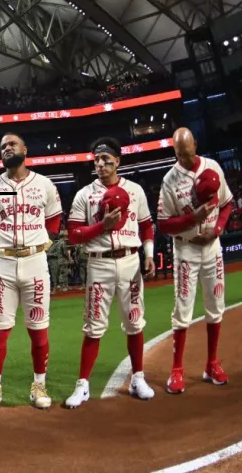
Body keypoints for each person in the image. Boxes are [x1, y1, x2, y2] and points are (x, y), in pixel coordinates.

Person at [63, 136, 156, 409]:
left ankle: (138, 378)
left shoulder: (136, 191)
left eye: (106, 159)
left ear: (118, 160)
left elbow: (147, 226)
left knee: (135, 322)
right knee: (93, 327)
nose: (101, 164)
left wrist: (149, 255)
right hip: (99, 263)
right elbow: (74, 234)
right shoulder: (84, 194)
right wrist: (102, 226)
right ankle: (82, 385)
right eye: (97, 160)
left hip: (130, 260)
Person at [0, 132, 62, 412]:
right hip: (4, 265)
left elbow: (55, 220)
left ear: (24, 148)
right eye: (2, 147)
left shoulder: (45, 184)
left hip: (35, 262)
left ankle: (39, 385)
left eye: (12, 144)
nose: (7, 148)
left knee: (38, 329)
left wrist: (44, 244)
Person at [157, 127, 233, 394]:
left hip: (212, 247)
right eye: (179, 155)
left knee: (216, 306)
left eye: (187, 154)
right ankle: (177, 369)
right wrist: (194, 219)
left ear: (196, 146)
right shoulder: (170, 180)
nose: (184, 160)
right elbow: (164, 224)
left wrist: (218, 229)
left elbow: (227, 203)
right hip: (186, 249)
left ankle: (211, 364)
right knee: (183, 310)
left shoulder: (212, 166)